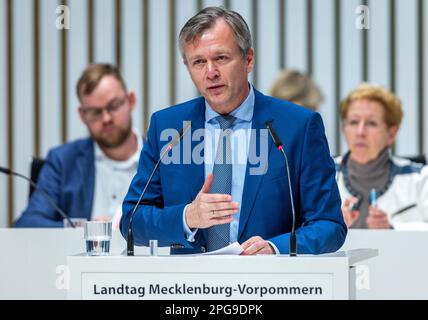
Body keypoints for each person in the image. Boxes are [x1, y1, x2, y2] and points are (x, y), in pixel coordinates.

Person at [121, 7, 346, 255]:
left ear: (248, 59)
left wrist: (275, 248)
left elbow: (329, 225)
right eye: (198, 62)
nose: (210, 72)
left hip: (270, 285)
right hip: (188, 286)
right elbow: (132, 221)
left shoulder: (298, 126)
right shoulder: (169, 127)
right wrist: (187, 217)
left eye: (221, 58)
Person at [15, 63, 143, 228]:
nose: (106, 119)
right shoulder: (63, 160)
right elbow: (28, 223)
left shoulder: (161, 158)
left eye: (113, 106)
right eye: (95, 112)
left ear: (131, 101)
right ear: (82, 115)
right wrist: (84, 229)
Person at [336, 83, 428, 230]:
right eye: (353, 122)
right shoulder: (322, 175)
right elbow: (295, 230)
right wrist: (329, 227)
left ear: (391, 134)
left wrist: (392, 228)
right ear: (344, 129)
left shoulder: (420, 179)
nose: (360, 132)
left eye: (371, 123)